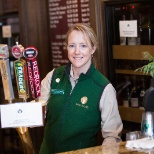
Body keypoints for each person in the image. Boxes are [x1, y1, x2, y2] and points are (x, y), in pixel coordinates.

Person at [39, 23, 123, 154]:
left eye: (83, 46)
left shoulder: (104, 88)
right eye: (72, 46)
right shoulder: (53, 76)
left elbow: (112, 136)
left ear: (93, 48)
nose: (77, 52)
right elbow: (39, 111)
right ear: (67, 47)